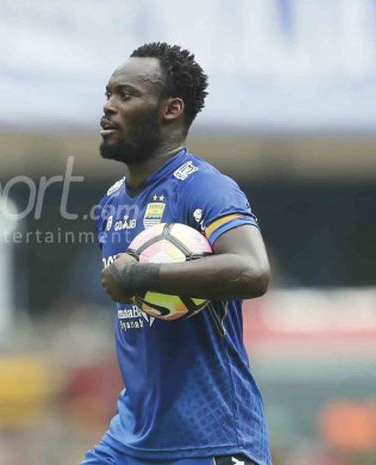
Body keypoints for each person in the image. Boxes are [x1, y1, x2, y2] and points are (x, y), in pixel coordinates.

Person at [86, 42, 272, 465]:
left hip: (214, 441)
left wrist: (145, 277)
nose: (109, 107)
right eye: (108, 95)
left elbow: (253, 270)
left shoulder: (203, 186)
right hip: (131, 443)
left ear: (171, 109)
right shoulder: (112, 203)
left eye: (126, 95)